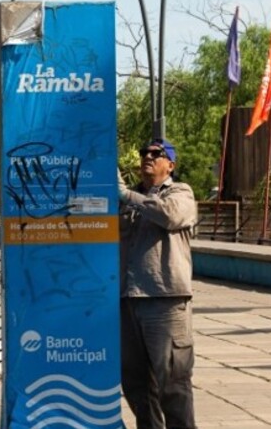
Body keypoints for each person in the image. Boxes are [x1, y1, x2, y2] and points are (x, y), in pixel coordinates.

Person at [118, 138, 199, 428]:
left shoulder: (180, 192)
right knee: (136, 383)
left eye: (156, 154)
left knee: (173, 384)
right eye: (144, 153)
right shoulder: (128, 197)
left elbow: (170, 215)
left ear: (171, 165)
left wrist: (128, 196)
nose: (147, 158)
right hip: (128, 300)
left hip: (164, 301)